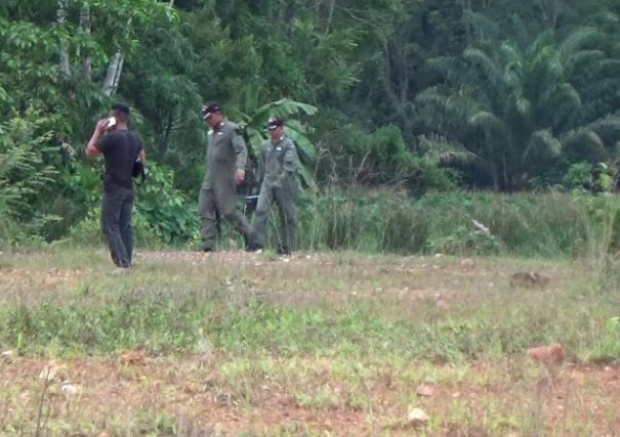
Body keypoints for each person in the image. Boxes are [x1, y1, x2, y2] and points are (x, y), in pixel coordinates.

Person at [86, 103, 145, 269]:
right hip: (128, 186)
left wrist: (98, 131)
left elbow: (90, 151)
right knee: (125, 226)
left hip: (114, 187)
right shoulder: (135, 138)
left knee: (110, 225)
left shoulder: (112, 138)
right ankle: (128, 259)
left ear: (115, 118)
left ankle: (122, 261)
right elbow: (142, 158)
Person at [198, 102, 253, 251]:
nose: (208, 121)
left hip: (225, 177)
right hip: (210, 176)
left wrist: (240, 169)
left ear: (218, 114)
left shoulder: (231, 130)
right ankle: (208, 244)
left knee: (228, 212)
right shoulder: (210, 133)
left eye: (210, 118)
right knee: (205, 208)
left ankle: (251, 237)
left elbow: (241, 151)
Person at [249, 117, 299, 255]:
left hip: (285, 182)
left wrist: (281, 179)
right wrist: (258, 183)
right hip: (268, 181)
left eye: (274, 129)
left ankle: (285, 247)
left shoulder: (289, 145)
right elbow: (261, 166)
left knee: (288, 216)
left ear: (281, 129)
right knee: (260, 211)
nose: (272, 132)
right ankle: (255, 244)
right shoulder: (265, 146)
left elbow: (289, 166)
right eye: (270, 129)